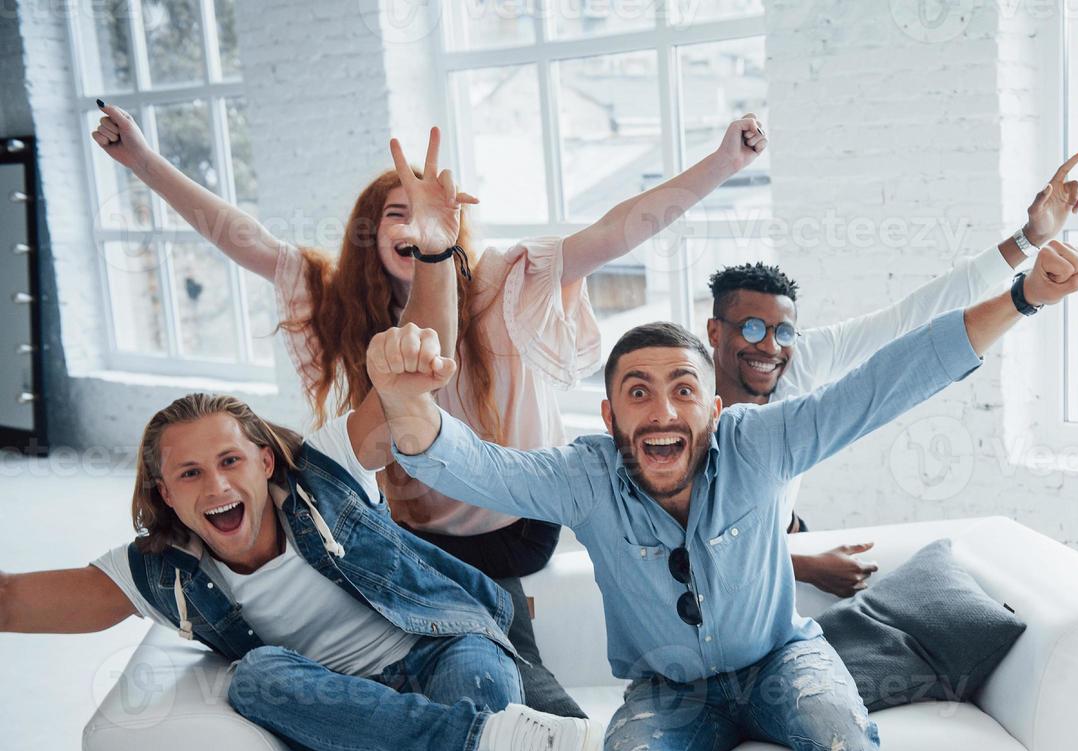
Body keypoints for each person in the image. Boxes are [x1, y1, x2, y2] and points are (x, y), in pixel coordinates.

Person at [364, 206, 1078, 751]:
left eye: (683, 390)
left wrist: (1023, 299)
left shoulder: (762, 442)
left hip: (783, 660)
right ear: (610, 417)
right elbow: (474, 466)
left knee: (849, 749)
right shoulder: (584, 475)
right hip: (668, 692)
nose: (663, 411)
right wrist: (407, 405)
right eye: (638, 395)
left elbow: (889, 381)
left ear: (712, 409)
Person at [91, 105, 770, 712]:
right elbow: (242, 239)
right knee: (372, 599)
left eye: (425, 216)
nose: (412, 225)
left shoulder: (504, 280)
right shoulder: (337, 303)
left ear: (451, 227)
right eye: (395, 215)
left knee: (482, 619)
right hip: (407, 521)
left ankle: (538, 709)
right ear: (371, 235)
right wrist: (141, 160)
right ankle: (399, 714)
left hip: (513, 519)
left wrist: (723, 163)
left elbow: (615, 232)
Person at [0, 386, 608, 751]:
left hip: (445, 650)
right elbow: (12, 602)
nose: (216, 487)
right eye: (188, 474)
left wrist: (405, 362)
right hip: (360, 727)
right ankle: (490, 731)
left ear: (265, 461)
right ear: (165, 492)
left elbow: (395, 394)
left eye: (230, 460)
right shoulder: (157, 571)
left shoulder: (326, 470)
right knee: (256, 678)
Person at [703, 152, 1078, 597]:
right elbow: (681, 536)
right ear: (715, 331)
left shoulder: (799, 357)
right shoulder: (680, 400)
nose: (770, 347)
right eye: (752, 329)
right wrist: (803, 566)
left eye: (783, 331)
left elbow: (916, 315)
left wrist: (1029, 239)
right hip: (737, 578)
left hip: (777, 541)